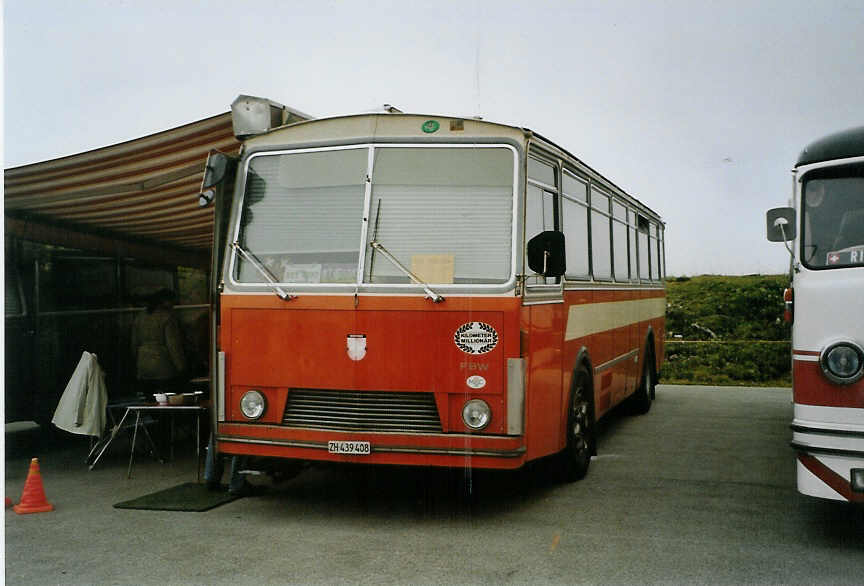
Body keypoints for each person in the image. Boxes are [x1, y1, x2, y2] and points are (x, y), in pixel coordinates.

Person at [131, 289, 187, 401]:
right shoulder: (168, 317)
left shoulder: (139, 317)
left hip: (143, 368)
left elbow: (134, 344)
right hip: (164, 367)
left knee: (150, 401)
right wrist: (182, 368)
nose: (174, 305)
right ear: (165, 302)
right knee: (167, 401)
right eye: (172, 302)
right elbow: (173, 346)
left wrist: (137, 364)